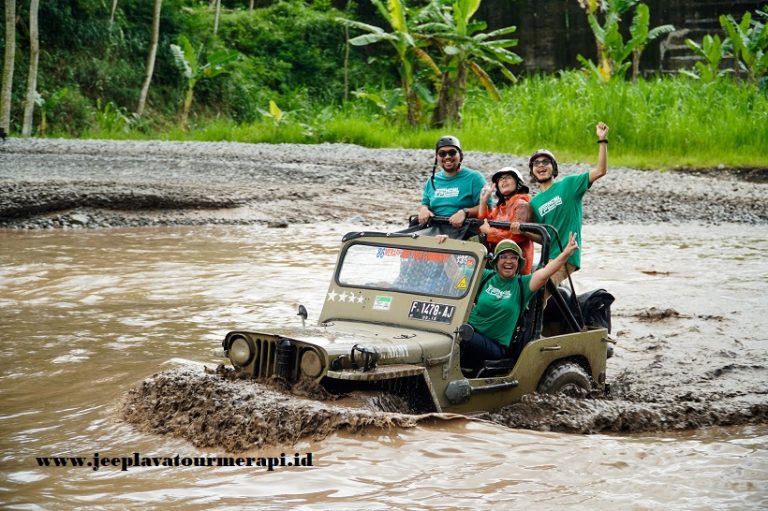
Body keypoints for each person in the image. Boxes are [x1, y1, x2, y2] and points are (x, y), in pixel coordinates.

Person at [460, 233, 579, 373]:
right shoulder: (486, 276)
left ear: (518, 263)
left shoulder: (522, 284)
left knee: (458, 334)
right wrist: (441, 243)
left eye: (513, 257)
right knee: (449, 331)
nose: (508, 261)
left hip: (494, 345)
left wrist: (566, 253)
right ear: (496, 261)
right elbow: (455, 272)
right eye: (503, 257)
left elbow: (546, 272)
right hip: (469, 331)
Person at [529, 121, 609, 291]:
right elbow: (543, 237)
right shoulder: (534, 203)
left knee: (538, 292)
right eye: (536, 163)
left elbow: (601, 170)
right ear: (532, 171)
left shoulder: (569, 185)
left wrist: (602, 141)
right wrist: (521, 231)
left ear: (554, 168)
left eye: (545, 162)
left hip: (567, 256)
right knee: (529, 292)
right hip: (548, 259)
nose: (541, 165)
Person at [418, 135, 490, 233]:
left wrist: (465, 212)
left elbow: (488, 208)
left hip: (464, 229)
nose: (447, 157)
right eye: (442, 153)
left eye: (452, 153)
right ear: (437, 158)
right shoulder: (432, 180)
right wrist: (424, 210)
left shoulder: (475, 178)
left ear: (460, 155)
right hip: (435, 227)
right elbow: (425, 204)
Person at [477, 167, 535, 274]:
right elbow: (483, 222)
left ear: (518, 183)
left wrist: (489, 232)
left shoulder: (522, 205)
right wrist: (483, 200)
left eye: (508, 177)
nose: (503, 180)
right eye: (500, 179)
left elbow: (517, 235)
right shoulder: (500, 208)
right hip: (499, 261)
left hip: (517, 265)